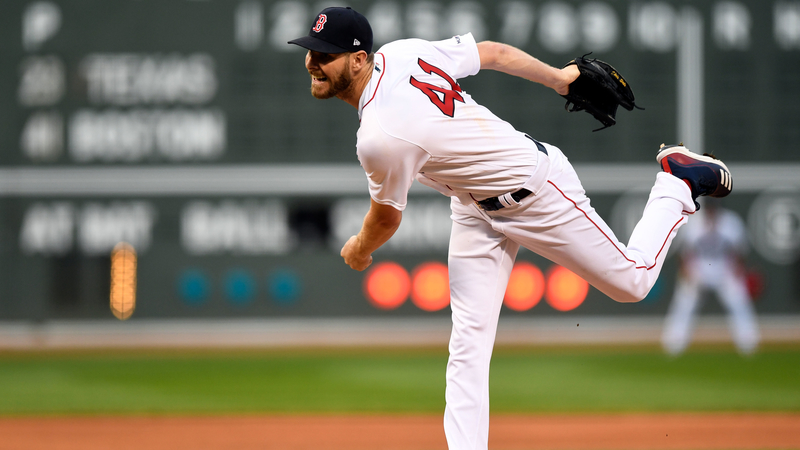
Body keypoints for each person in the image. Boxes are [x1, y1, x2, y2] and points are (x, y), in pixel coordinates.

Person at [289, 7, 733, 449]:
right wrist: (559, 78)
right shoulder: (403, 53)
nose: (312, 61)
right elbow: (494, 53)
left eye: (325, 54)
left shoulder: (379, 135)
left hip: (536, 192)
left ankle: (677, 183)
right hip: (473, 207)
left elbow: (385, 219)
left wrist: (360, 250)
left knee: (633, 282)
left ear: (359, 59)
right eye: (311, 51)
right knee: (468, 346)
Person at [661, 198, 759, 355]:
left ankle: (748, 343)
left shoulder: (731, 222)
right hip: (699, 268)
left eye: (714, 207)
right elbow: (683, 252)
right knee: (684, 303)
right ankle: (673, 343)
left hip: (724, 268)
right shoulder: (693, 223)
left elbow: (741, 250)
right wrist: (685, 270)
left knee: (739, 301)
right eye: (709, 208)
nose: (711, 211)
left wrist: (738, 269)